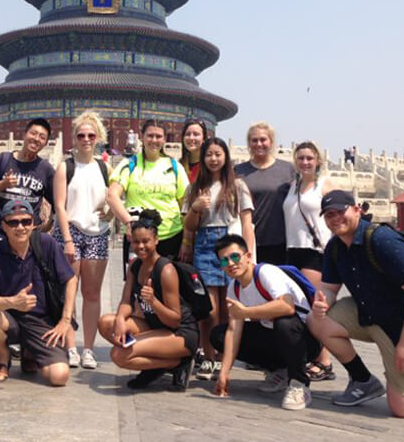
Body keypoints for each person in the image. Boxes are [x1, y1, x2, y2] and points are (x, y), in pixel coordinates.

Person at [308, 190, 404, 417]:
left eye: (340, 211)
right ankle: (363, 380)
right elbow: (329, 288)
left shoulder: (382, 240)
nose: (335, 218)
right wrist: (322, 304)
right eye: (329, 215)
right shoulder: (335, 247)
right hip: (371, 315)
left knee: (403, 407)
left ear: (357, 210)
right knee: (316, 320)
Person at [211, 234, 319, 410]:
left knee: (284, 323)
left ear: (248, 256)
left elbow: (287, 307)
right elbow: (233, 330)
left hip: (305, 340)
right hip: (276, 337)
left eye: (235, 257)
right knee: (219, 335)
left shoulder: (265, 272)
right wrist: (224, 372)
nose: (230, 263)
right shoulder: (234, 288)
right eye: (224, 260)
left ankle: (299, 384)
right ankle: (279, 371)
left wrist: (245, 312)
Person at [0, 200, 76, 386]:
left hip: (40, 321)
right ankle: (3, 356)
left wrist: (65, 320)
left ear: (33, 224)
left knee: (59, 376)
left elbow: (71, 279)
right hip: (9, 320)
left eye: (25, 221)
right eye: (13, 222)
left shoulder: (46, 244)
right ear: (3, 226)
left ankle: (30, 351)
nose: (20, 227)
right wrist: (13, 302)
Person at [97, 210, 198, 391]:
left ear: (156, 240)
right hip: (154, 326)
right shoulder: (135, 266)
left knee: (119, 355)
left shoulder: (166, 270)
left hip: (179, 333)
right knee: (106, 323)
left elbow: (175, 320)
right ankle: (153, 363)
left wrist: (153, 302)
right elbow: (126, 301)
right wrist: (120, 320)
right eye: (136, 242)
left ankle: (177, 363)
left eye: (146, 241)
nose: (141, 246)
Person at [180, 137, 254, 380]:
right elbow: (189, 226)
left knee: (229, 306)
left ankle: (225, 357)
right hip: (205, 245)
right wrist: (195, 208)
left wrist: (248, 254)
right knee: (209, 308)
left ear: (226, 157)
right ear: (202, 158)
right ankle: (208, 356)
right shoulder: (195, 188)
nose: (213, 159)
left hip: (231, 245)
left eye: (218, 154)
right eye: (209, 154)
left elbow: (246, 222)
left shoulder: (238, 186)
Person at [52, 111, 111, 370]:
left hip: (97, 234)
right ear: (74, 138)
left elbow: (112, 200)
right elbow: (59, 205)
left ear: (98, 138)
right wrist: (67, 240)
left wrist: (110, 214)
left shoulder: (105, 167)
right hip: (71, 232)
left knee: (91, 293)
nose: (86, 139)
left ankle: (88, 348)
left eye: (91, 135)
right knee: (69, 292)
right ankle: (70, 347)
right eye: (81, 135)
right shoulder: (65, 167)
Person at [282, 141, 336, 381]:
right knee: (300, 307)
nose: (305, 162)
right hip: (293, 249)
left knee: (315, 306)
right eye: (301, 158)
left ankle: (324, 360)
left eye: (309, 158)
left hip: (316, 251)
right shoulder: (292, 186)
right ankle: (308, 356)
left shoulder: (325, 185)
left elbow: (340, 214)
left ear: (318, 161)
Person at [107, 119, 189, 273]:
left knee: (168, 283)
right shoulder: (129, 164)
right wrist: (128, 222)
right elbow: (112, 195)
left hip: (171, 236)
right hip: (139, 238)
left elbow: (184, 203)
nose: (154, 140)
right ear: (142, 137)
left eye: (159, 136)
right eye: (150, 136)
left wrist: (186, 240)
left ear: (164, 139)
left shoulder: (174, 166)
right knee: (137, 283)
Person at [0, 118, 55, 237]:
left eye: (42, 137)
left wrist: (47, 225)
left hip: (29, 236)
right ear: (24, 135)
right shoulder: (2, 160)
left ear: (46, 143)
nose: (36, 139)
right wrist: (2, 185)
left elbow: (58, 203)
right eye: (33, 133)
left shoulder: (46, 169)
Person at [234, 122, 295, 265]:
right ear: (249, 143)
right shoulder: (238, 171)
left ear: (271, 142)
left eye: (263, 140)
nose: (259, 144)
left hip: (280, 242)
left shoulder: (288, 170)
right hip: (249, 242)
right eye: (254, 140)